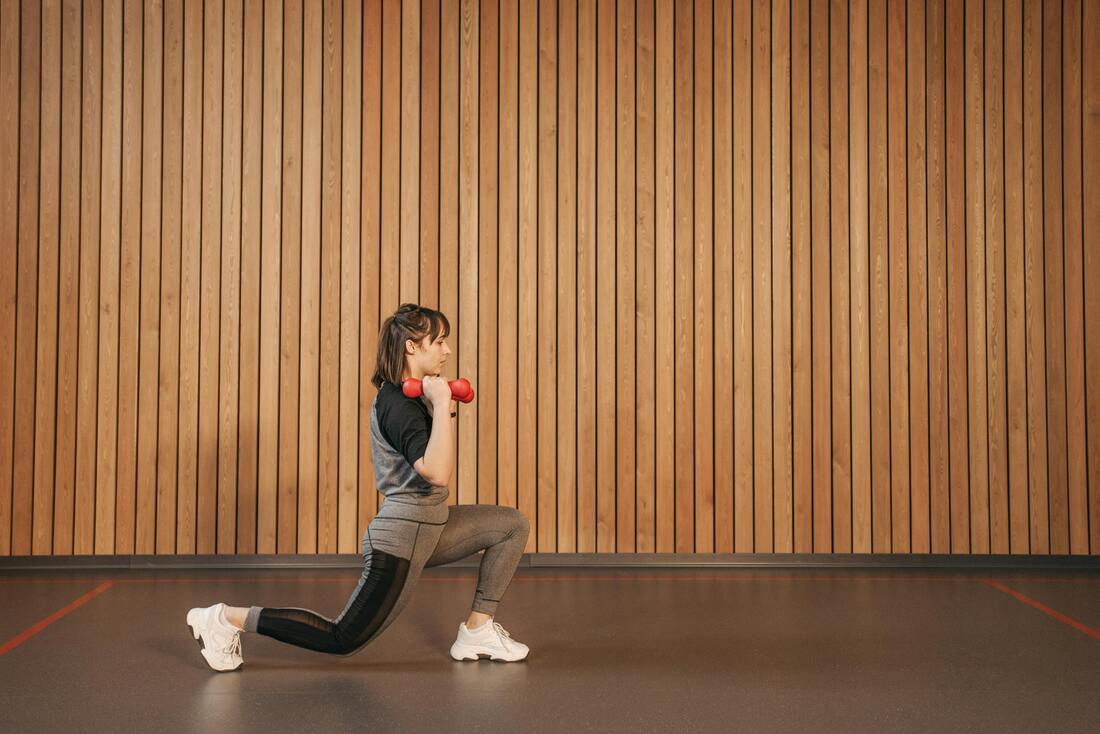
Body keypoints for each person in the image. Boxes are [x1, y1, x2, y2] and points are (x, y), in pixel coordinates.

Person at [186, 303, 531, 671]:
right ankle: (224, 619)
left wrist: (436, 403)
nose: (447, 351)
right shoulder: (397, 403)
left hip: (431, 526)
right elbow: (436, 472)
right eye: (440, 341)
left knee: (510, 525)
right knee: (341, 639)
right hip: (402, 538)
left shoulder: (413, 398)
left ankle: (477, 630)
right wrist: (443, 402)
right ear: (412, 347)